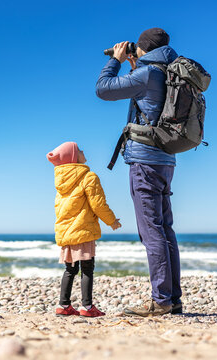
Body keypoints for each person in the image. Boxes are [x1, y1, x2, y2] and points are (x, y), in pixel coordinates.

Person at [95, 28, 182, 316]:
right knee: (165, 230)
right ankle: (173, 298)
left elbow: (103, 89)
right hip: (166, 160)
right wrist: (137, 65)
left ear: (142, 49)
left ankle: (161, 301)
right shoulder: (171, 71)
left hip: (144, 161)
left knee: (151, 232)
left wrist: (116, 60)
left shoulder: (147, 74)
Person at [47, 141, 121, 317]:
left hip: (66, 231)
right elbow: (98, 204)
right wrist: (111, 221)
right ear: (73, 157)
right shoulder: (88, 177)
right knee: (87, 268)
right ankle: (87, 307)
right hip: (83, 229)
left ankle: (63, 305)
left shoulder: (61, 181)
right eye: (79, 150)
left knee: (70, 269)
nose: (83, 151)